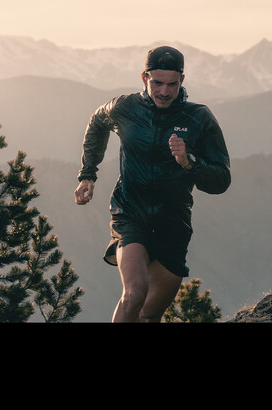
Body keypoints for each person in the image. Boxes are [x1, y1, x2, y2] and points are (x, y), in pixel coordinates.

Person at [74, 46, 231, 322]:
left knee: (149, 315)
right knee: (134, 294)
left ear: (182, 80)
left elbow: (221, 180)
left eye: (172, 84)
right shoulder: (125, 108)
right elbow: (98, 122)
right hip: (130, 213)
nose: (164, 91)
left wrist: (189, 162)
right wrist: (88, 172)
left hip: (174, 223)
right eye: (157, 82)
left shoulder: (199, 118)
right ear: (145, 78)